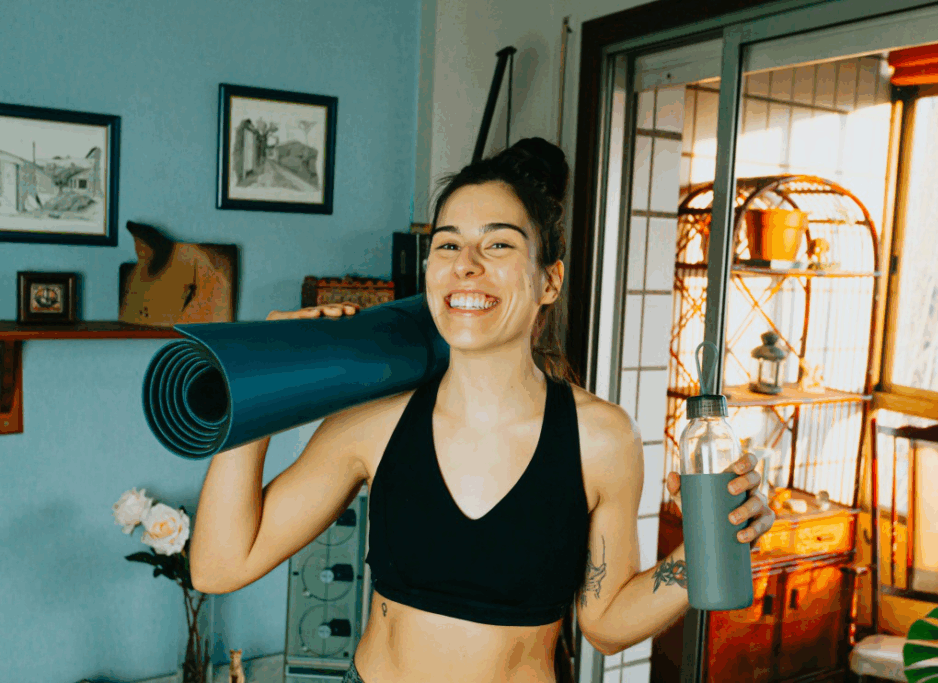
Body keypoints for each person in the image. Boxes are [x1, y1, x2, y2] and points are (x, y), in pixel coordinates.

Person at [189, 138, 776, 683]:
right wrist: (257, 382)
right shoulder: (373, 422)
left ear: (549, 281)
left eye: (498, 244)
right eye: (447, 244)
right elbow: (218, 568)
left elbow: (606, 621)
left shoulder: (600, 437)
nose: (466, 264)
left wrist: (705, 550)